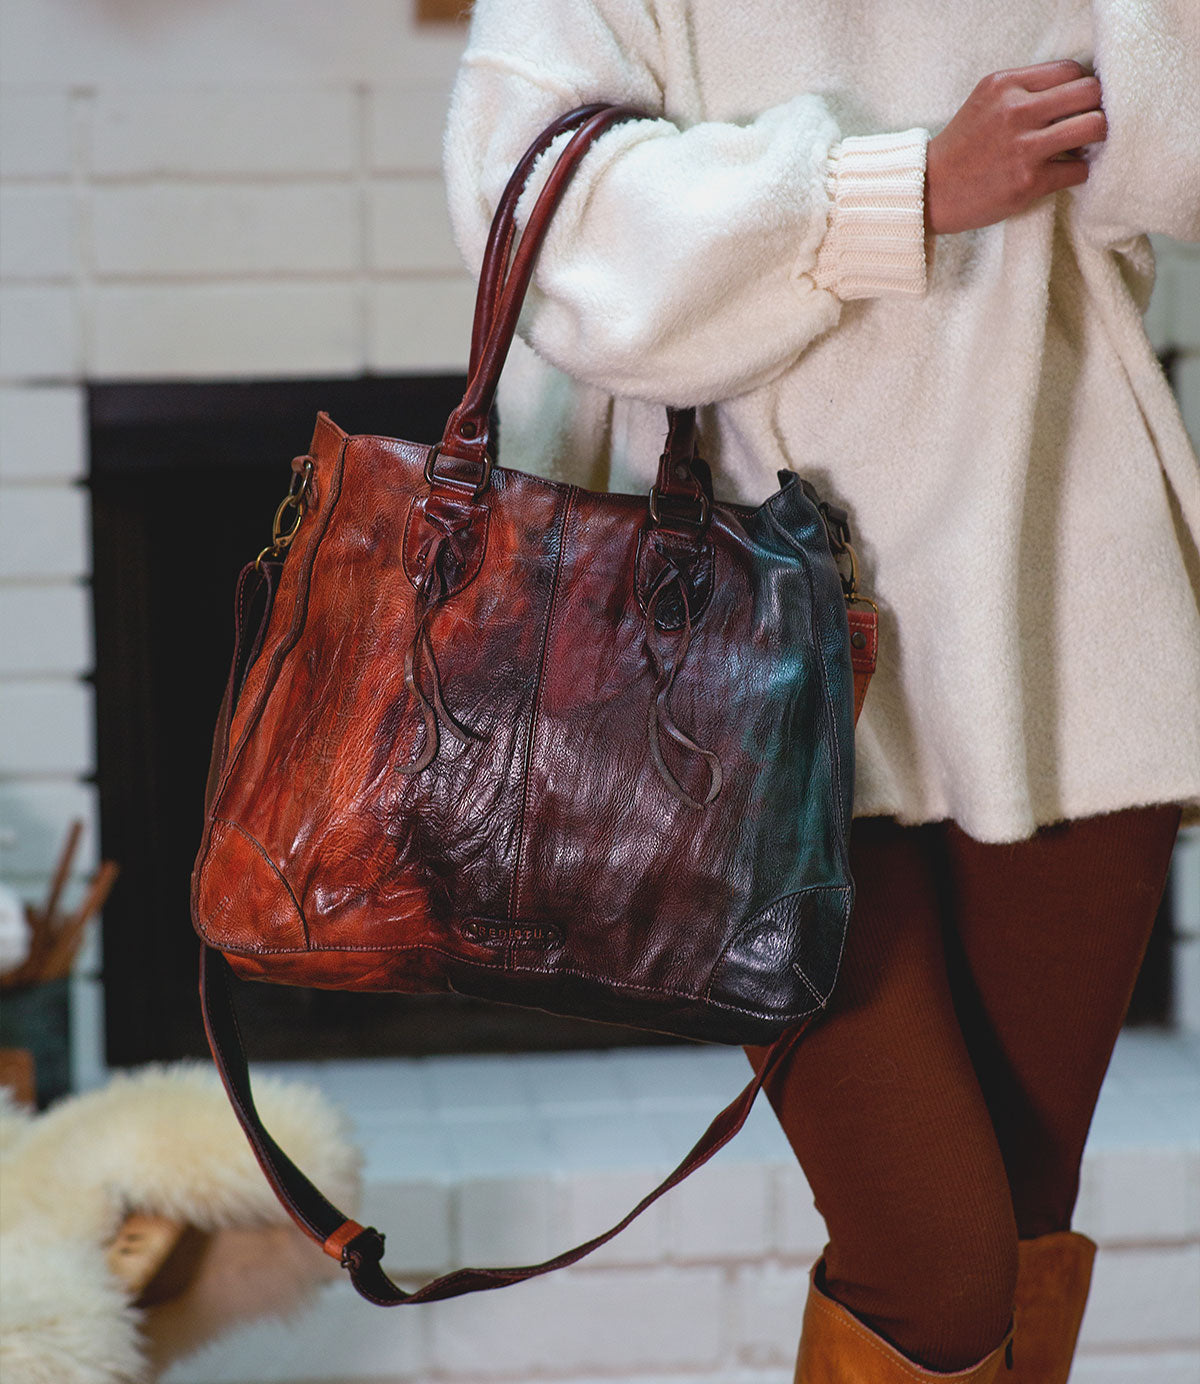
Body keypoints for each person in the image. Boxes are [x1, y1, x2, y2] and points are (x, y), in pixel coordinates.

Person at [442, 3, 1200, 1380]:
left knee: (1025, 1237)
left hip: (1063, 609)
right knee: (940, 1278)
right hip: (722, 647)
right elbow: (540, 219)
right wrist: (891, 191)